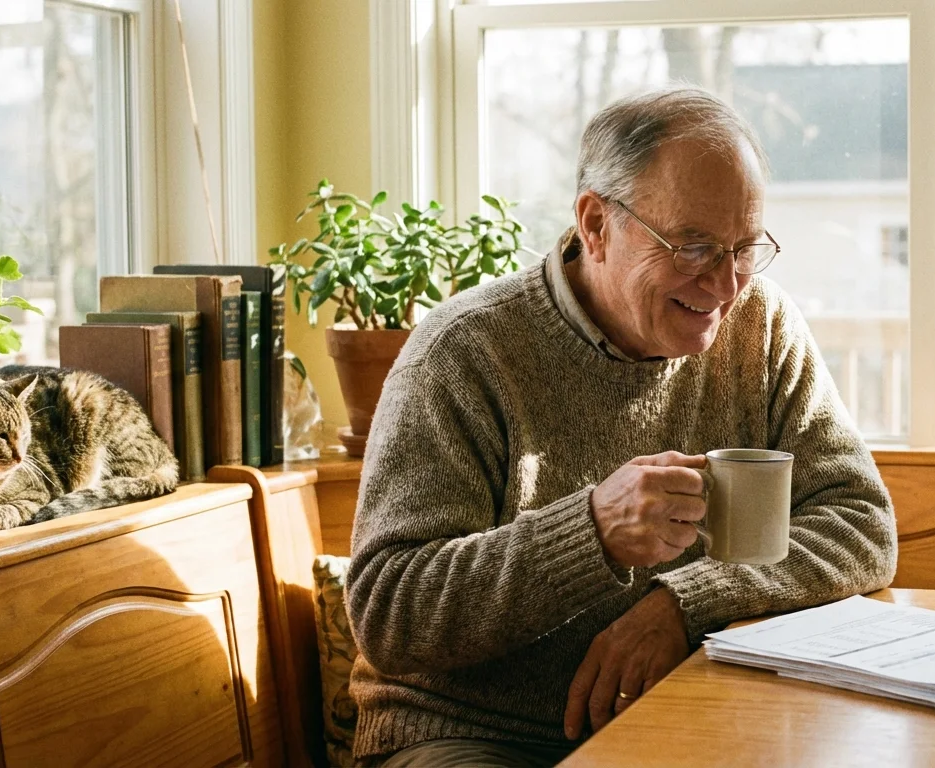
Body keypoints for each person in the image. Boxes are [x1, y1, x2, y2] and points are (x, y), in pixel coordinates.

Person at [346, 85, 898, 767]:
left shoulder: (762, 327)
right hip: (471, 735)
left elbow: (861, 522)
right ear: (595, 224)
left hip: (690, 715)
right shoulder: (464, 352)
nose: (726, 287)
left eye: (745, 249)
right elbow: (389, 610)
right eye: (693, 247)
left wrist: (684, 603)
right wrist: (592, 535)